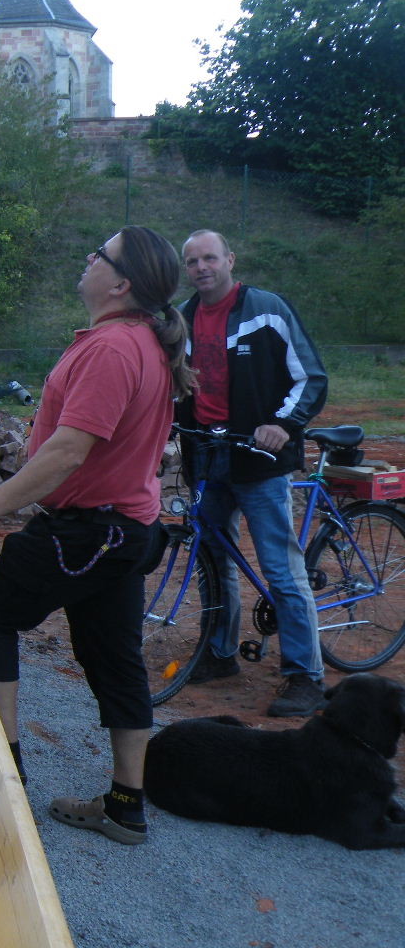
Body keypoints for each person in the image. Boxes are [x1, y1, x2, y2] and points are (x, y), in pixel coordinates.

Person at [0, 226, 196, 846]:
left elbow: (69, 451)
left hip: (89, 532)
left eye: (100, 254)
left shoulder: (114, 348)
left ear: (121, 283)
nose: (88, 258)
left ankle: (3, 784)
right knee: (115, 659)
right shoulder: (135, 341)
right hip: (122, 530)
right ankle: (126, 805)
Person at [178, 229, 328, 717]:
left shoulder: (267, 309)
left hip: (259, 459)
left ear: (230, 260)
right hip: (207, 458)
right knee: (213, 559)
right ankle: (219, 653)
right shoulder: (181, 319)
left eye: (210, 258)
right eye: (192, 261)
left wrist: (283, 425)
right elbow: (174, 387)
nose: (201, 267)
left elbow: (311, 377)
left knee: (281, 568)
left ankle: (305, 675)